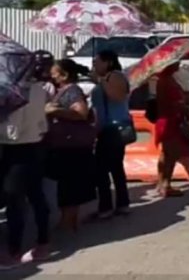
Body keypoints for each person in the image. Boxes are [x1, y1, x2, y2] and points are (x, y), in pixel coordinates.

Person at [0, 61, 50, 268]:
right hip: (35, 146)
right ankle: (43, 242)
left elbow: (13, 132)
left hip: (16, 150)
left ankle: (13, 251)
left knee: (14, 201)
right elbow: (42, 123)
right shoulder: (39, 89)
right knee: (36, 196)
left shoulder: (17, 92)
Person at [45, 59, 96, 232]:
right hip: (68, 144)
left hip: (71, 145)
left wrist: (54, 111)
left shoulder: (72, 90)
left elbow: (81, 112)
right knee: (69, 185)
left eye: (55, 74)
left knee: (69, 185)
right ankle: (69, 221)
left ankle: (68, 221)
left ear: (65, 75)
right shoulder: (64, 90)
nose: (52, 76)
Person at [90, 50, 131, 219]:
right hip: (108, 128)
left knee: (104, 170)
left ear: (108, 62)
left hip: (113, 128)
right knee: (113, 168)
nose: (94, 66)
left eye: (96, 62)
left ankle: (107, 207)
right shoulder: (105, 80)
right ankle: (121, 204)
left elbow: (117, 96)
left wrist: (99, 81)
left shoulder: (115, 76)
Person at [154, 62, 189, 197]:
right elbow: (173, 102)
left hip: (166, 121)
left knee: (166, 153)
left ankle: (161, 183)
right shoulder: (167, 81)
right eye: (176, 62)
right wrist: (184, 107)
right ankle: (166, 184)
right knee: (172, 154)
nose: (179, 64)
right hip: (170, 121)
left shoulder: (165, 80)